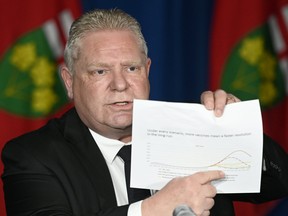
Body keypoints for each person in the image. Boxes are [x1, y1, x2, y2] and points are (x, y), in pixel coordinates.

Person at [1, 8, 288, 216]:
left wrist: (238, 134)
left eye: (131, 68)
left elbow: (279, 183)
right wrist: (152, 209)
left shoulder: (192, 132)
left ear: (147, 70)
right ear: (69, 81)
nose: (120, 84)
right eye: (100, 71)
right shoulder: (33, 156)